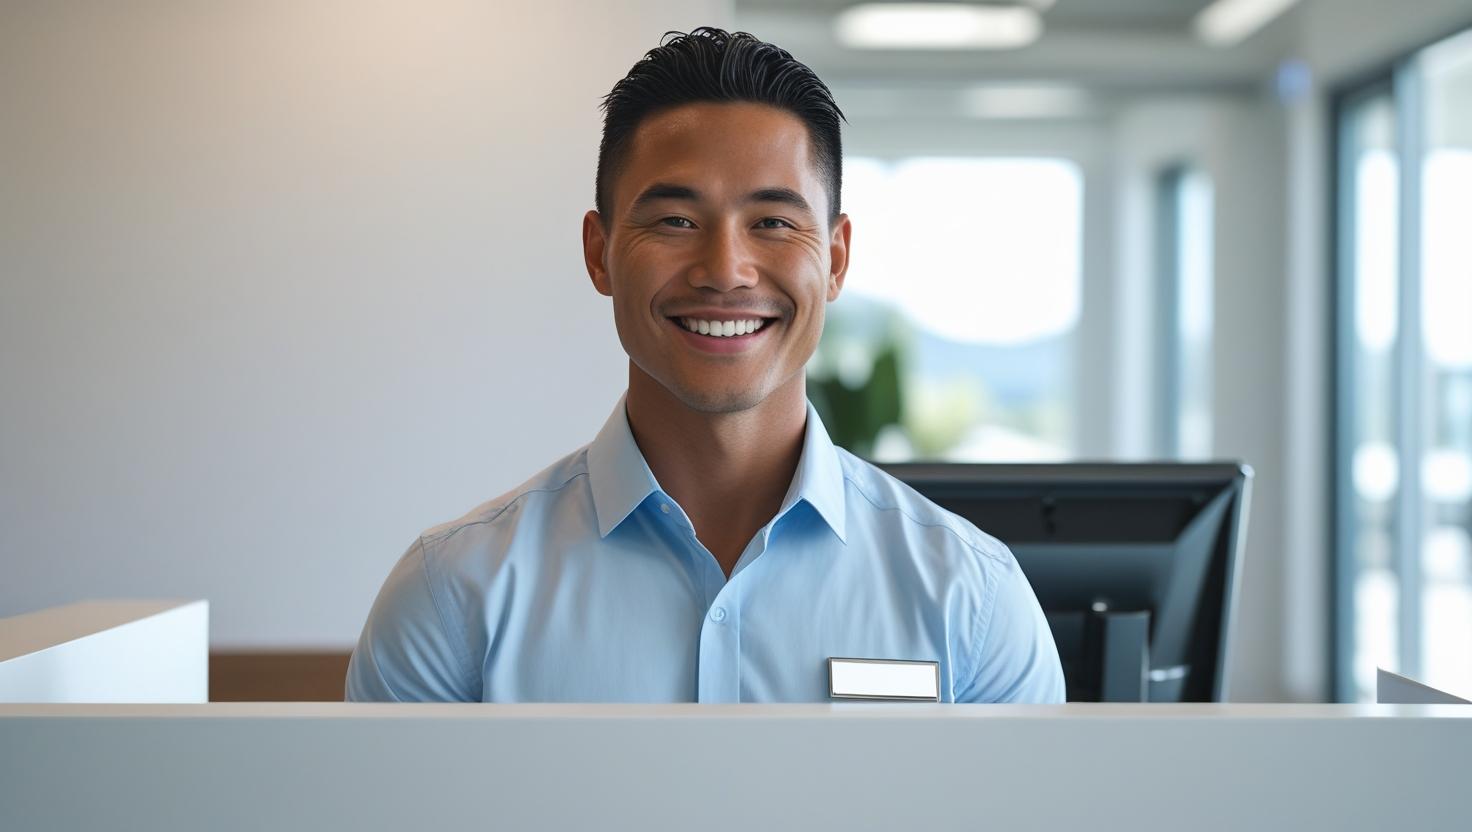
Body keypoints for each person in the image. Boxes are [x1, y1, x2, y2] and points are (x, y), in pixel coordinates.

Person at [346, 27, 1064, 703]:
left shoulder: (973, 600)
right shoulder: (452, 598)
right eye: (675, 222)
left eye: (774, 222)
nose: (725, 270)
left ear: (836, 259)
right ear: (599, 253)